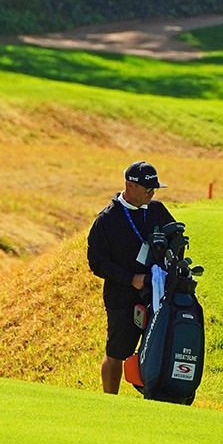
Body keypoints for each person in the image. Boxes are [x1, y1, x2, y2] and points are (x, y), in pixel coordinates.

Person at [86, 160, 174, 394]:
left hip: (157, 293)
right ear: (130, 185)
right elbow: (97, 263)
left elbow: (175, 242)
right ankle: (110, 401)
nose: (152, 193)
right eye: (148, 189)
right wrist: (130, 278)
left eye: (155, 189)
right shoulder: (107, 219)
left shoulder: (157, 210)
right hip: (122, 297)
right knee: (117, 352)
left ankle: (157, 396)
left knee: (160, 348)